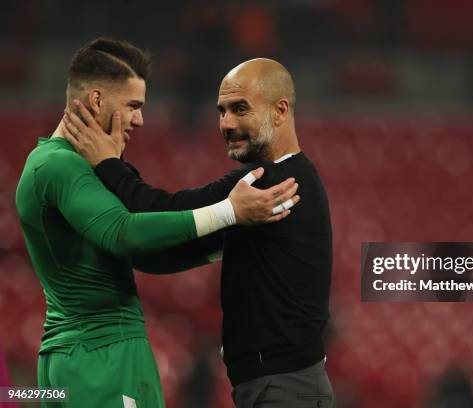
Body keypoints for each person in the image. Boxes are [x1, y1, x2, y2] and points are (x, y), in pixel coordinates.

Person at [15, 38, 299, 408]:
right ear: (97, 101)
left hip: (74, 355)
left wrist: (231, 239)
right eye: (133, 106)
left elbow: (146, 252)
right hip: (104, 355)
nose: (140, 119)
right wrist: (228, 212)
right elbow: (125, 233)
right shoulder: (59, 166)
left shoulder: (55, 164)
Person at [64, 58, 335, 407]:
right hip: (279, 388)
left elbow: (159, 211)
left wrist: (108, 162)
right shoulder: (271, 191)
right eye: (221, 111)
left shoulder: (267, 183)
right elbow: (173, 249)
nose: (226, 123)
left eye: (239, 109)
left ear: (280, 110)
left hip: (284, 391)